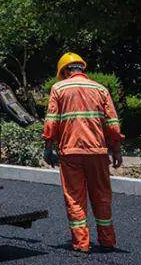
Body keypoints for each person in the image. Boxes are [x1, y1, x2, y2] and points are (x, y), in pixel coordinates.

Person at [42, 52, 123, 253]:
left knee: (74, 197)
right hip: (97, 152)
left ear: (65, 71)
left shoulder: (58, 88)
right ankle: (107, 240)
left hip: (70, 153)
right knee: (102, 195)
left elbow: (51, 121)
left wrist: (48, 147)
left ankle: (81, 243)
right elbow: (112, 123)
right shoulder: (100, 89)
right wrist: (117, 150)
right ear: (82, 68)